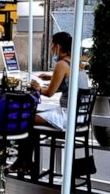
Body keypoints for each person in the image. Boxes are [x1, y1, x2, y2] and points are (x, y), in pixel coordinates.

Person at [10, 31, 89, 172]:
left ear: (58, 46)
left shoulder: (61, 64)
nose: (51, 47)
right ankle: (25, 160)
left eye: (52, 44)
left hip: (68, 116)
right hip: (80, 115)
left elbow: (49, 92)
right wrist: (49, 78)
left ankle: (24, 160)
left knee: (26, 117)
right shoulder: (76, 62)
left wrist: (37, 87)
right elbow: (66, 86)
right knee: (33, 117)